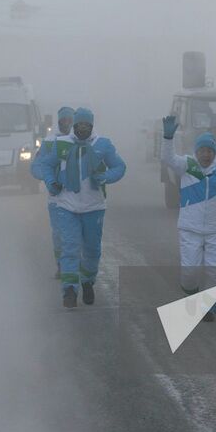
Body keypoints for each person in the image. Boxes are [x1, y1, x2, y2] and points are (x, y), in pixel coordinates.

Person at [30, 107, 126, 308]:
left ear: (91, 126)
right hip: (66, 206)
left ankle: (88, 281)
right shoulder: (61, 144)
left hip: (94, 206)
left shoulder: (103, 145)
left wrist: (106, 177)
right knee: (70, 247)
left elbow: (119, 167)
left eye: (86, 125)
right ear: (74, 125)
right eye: (79, 125)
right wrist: (50, 181)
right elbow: (45, 165)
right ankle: (70, 290)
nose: (82, 129)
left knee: (92, 250)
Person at [160, 117, 216, 321]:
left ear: (214, 153)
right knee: (190, 274)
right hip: (190, 229)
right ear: (196, 151)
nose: (205, 155)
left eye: (209, 151)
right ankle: (193, 295)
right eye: (202, 151)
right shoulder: (187, 165)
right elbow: (168, 159)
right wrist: (168, 137)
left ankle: (209, 307)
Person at [32, 106, 76, 278]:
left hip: (79, 197)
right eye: (63, 120)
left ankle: (76, 265)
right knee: (59, 233)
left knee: (77, 235)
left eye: (69, 120)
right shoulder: (49, 142)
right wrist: (50, 180)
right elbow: (36, 167)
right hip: (56, 198)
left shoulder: (83, 141)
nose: (66, 124)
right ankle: (61, 264)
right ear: (58, 122)